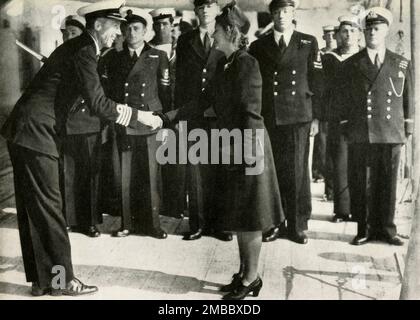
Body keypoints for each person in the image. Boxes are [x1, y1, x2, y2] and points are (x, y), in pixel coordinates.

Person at [0, 0, 162, 296]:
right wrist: (140, 116)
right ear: (98, 25)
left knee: (36, 208)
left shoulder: (80, 49)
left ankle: (44, 281)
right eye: (115, 26)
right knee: (50, 206)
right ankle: (62, 281)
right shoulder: (85, 51)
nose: (119, 33)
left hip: (26, 131)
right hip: (36, 132)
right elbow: (99, 104)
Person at [157, 1, 284, 300]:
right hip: (234, 145)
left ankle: (251, 278)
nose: (212, 36)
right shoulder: (226, 64)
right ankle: (244, 274)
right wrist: (166, 117)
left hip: (248, 147)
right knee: (242, 214)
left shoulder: (246, 63)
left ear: (229, 31)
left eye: (216, 31)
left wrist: (248, 154)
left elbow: (252, 112)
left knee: (251, 218)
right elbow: (202, 101)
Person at [249, 0, 324, 244]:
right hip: (270, 117)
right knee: (272, 172)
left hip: (298, 116)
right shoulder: (259, 45)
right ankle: (275, 224)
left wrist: (316, 117)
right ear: (272, 15)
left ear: (293, 14)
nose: (281, 16)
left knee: (297, 173)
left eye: (286, 11)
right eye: (277, 12)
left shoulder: (307, 42)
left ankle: (297, 224)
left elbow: (317, 82)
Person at [338, 7, 413, 246]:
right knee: (362, 181)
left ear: (385, 31)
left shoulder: (401, 63)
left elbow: (408, 98)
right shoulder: (351, 64)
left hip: (391, 131)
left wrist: (408, 127)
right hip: (362, 132)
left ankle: (387, 229)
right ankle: (365, 228)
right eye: (368, 28)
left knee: (388, 182)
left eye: (376, 28)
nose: (372, 32)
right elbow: (343, 100)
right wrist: (345, 127)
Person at [107, 8, 170, 239]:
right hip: (125, 120)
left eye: (136, 28)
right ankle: (127, 224)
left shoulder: (158, 57)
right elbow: (110, 94)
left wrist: (164, 122)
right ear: (122, 31)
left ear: (145, 31)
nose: (131, 32)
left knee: (152, 175)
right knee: (126, 175)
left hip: (150, 121)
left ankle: (153, 224)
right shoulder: (113, 59)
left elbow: (166, 93)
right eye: (127, 28)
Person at [175, 0, 232, 241]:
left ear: (218, 10)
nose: (206, 10)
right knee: (195, 170)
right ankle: (197, 223)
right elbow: (180, 80)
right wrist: (178, 115)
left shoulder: (227, 34)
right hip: (193, 113)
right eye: (201, 7)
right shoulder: (185, 40)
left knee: (220, 168)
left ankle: (220, 224)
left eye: (210, 6)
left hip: (220, 113)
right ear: (196, 11)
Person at [59, 15, 104, 238]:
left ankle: (89, 222)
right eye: (66, 34)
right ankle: (68, 219)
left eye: (73, 34)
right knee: (67, 172)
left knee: (88, 175)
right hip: (68, 122)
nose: (69, 38)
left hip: (89, 121)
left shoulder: (93, 54)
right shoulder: (64, 56)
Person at [323, 15, 362, 223]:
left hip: (362, 120)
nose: (348, 35)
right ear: (338, 35)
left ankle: (360, 210)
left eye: (352, 31)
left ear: (359, 35)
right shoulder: (329, 59)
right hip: (337, 119)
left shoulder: (365, 58)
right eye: (344, 31)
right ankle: (341, 210)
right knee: (339, 164)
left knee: (360, 165)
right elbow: (324, 91)